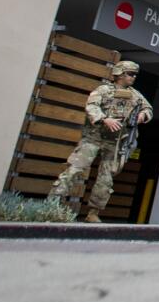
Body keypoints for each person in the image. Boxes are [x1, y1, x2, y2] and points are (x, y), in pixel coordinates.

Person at [48, 60, 153, 223]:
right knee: (75, 169)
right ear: (120, 74)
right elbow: (91, 107)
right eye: (130, 74)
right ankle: (52, 205)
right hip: (93, 138)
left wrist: (143, 115)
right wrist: (105, 119)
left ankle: (93, 212)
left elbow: (148, 109)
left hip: (115, 142)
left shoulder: (135, 95)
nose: (133, 77)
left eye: (134, 75)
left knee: (106, 178)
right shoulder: (103, 90)